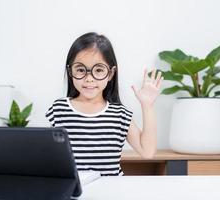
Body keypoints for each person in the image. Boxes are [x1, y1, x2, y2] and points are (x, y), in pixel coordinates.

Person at [46, 32, 163, 176]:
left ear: (111, 73)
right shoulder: (59, 110)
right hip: (73, 192)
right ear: (70, 71)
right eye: (81, 70)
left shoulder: (119, 114)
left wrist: (147, 105)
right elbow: (50, 157)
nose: (89, 79)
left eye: (99, 70)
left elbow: (147, 151)